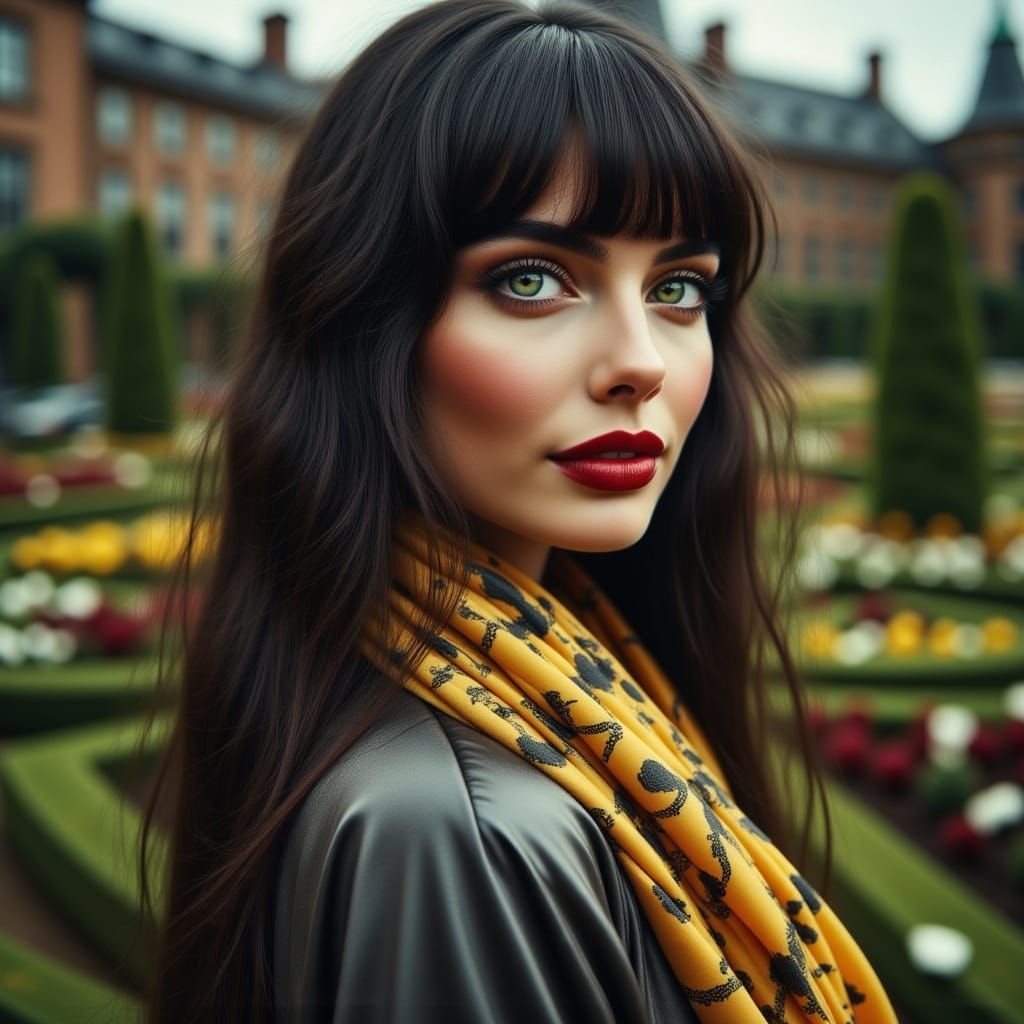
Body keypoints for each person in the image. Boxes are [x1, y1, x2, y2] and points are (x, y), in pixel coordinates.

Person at [135, 0, 900, 1021]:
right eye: (533, 278)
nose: (639, 360)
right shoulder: (463, 832)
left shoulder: (559, 659)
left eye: (679, 287)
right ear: (365, 319)